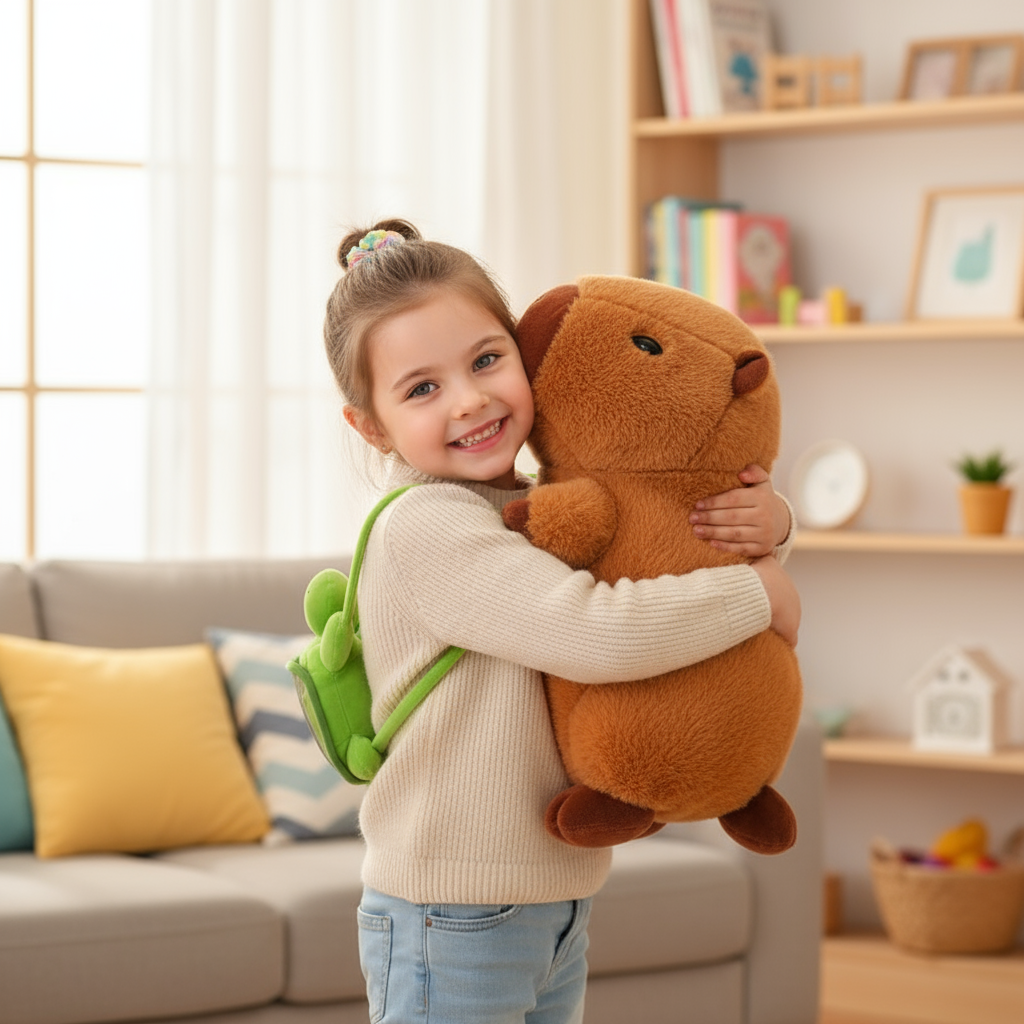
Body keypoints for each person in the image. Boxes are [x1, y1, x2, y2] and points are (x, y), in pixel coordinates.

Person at [323, 219, 800, 1024]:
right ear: (371, 426)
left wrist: (772, 526)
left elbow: (653, 547)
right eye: (422, 389)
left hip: (545, 897)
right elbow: (596, 631)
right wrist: (758, 593)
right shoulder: (427, 525)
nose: (470, 400)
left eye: (486, 360)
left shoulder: (525, 502)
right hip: (451, 906)